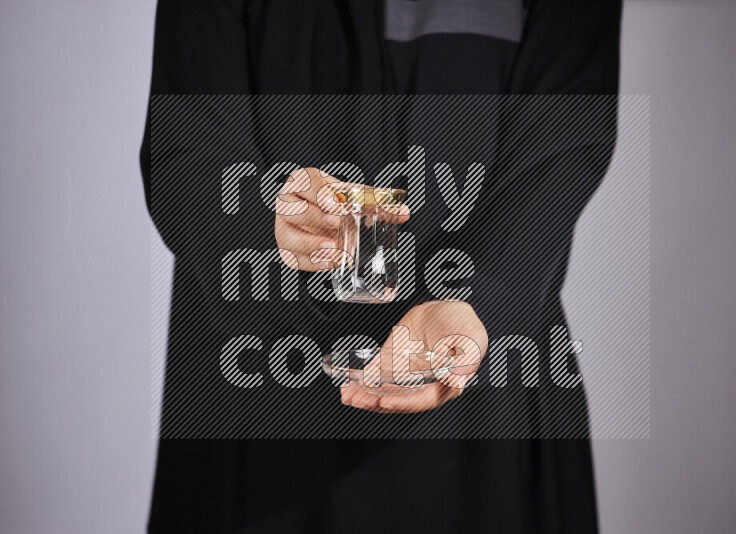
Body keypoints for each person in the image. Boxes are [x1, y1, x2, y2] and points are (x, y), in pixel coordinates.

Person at [141, 1, 621, 532]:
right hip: (255, 398)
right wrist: (266, 223)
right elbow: (183, 143)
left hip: (482, 391)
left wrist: (481, 297)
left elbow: (566, 140)